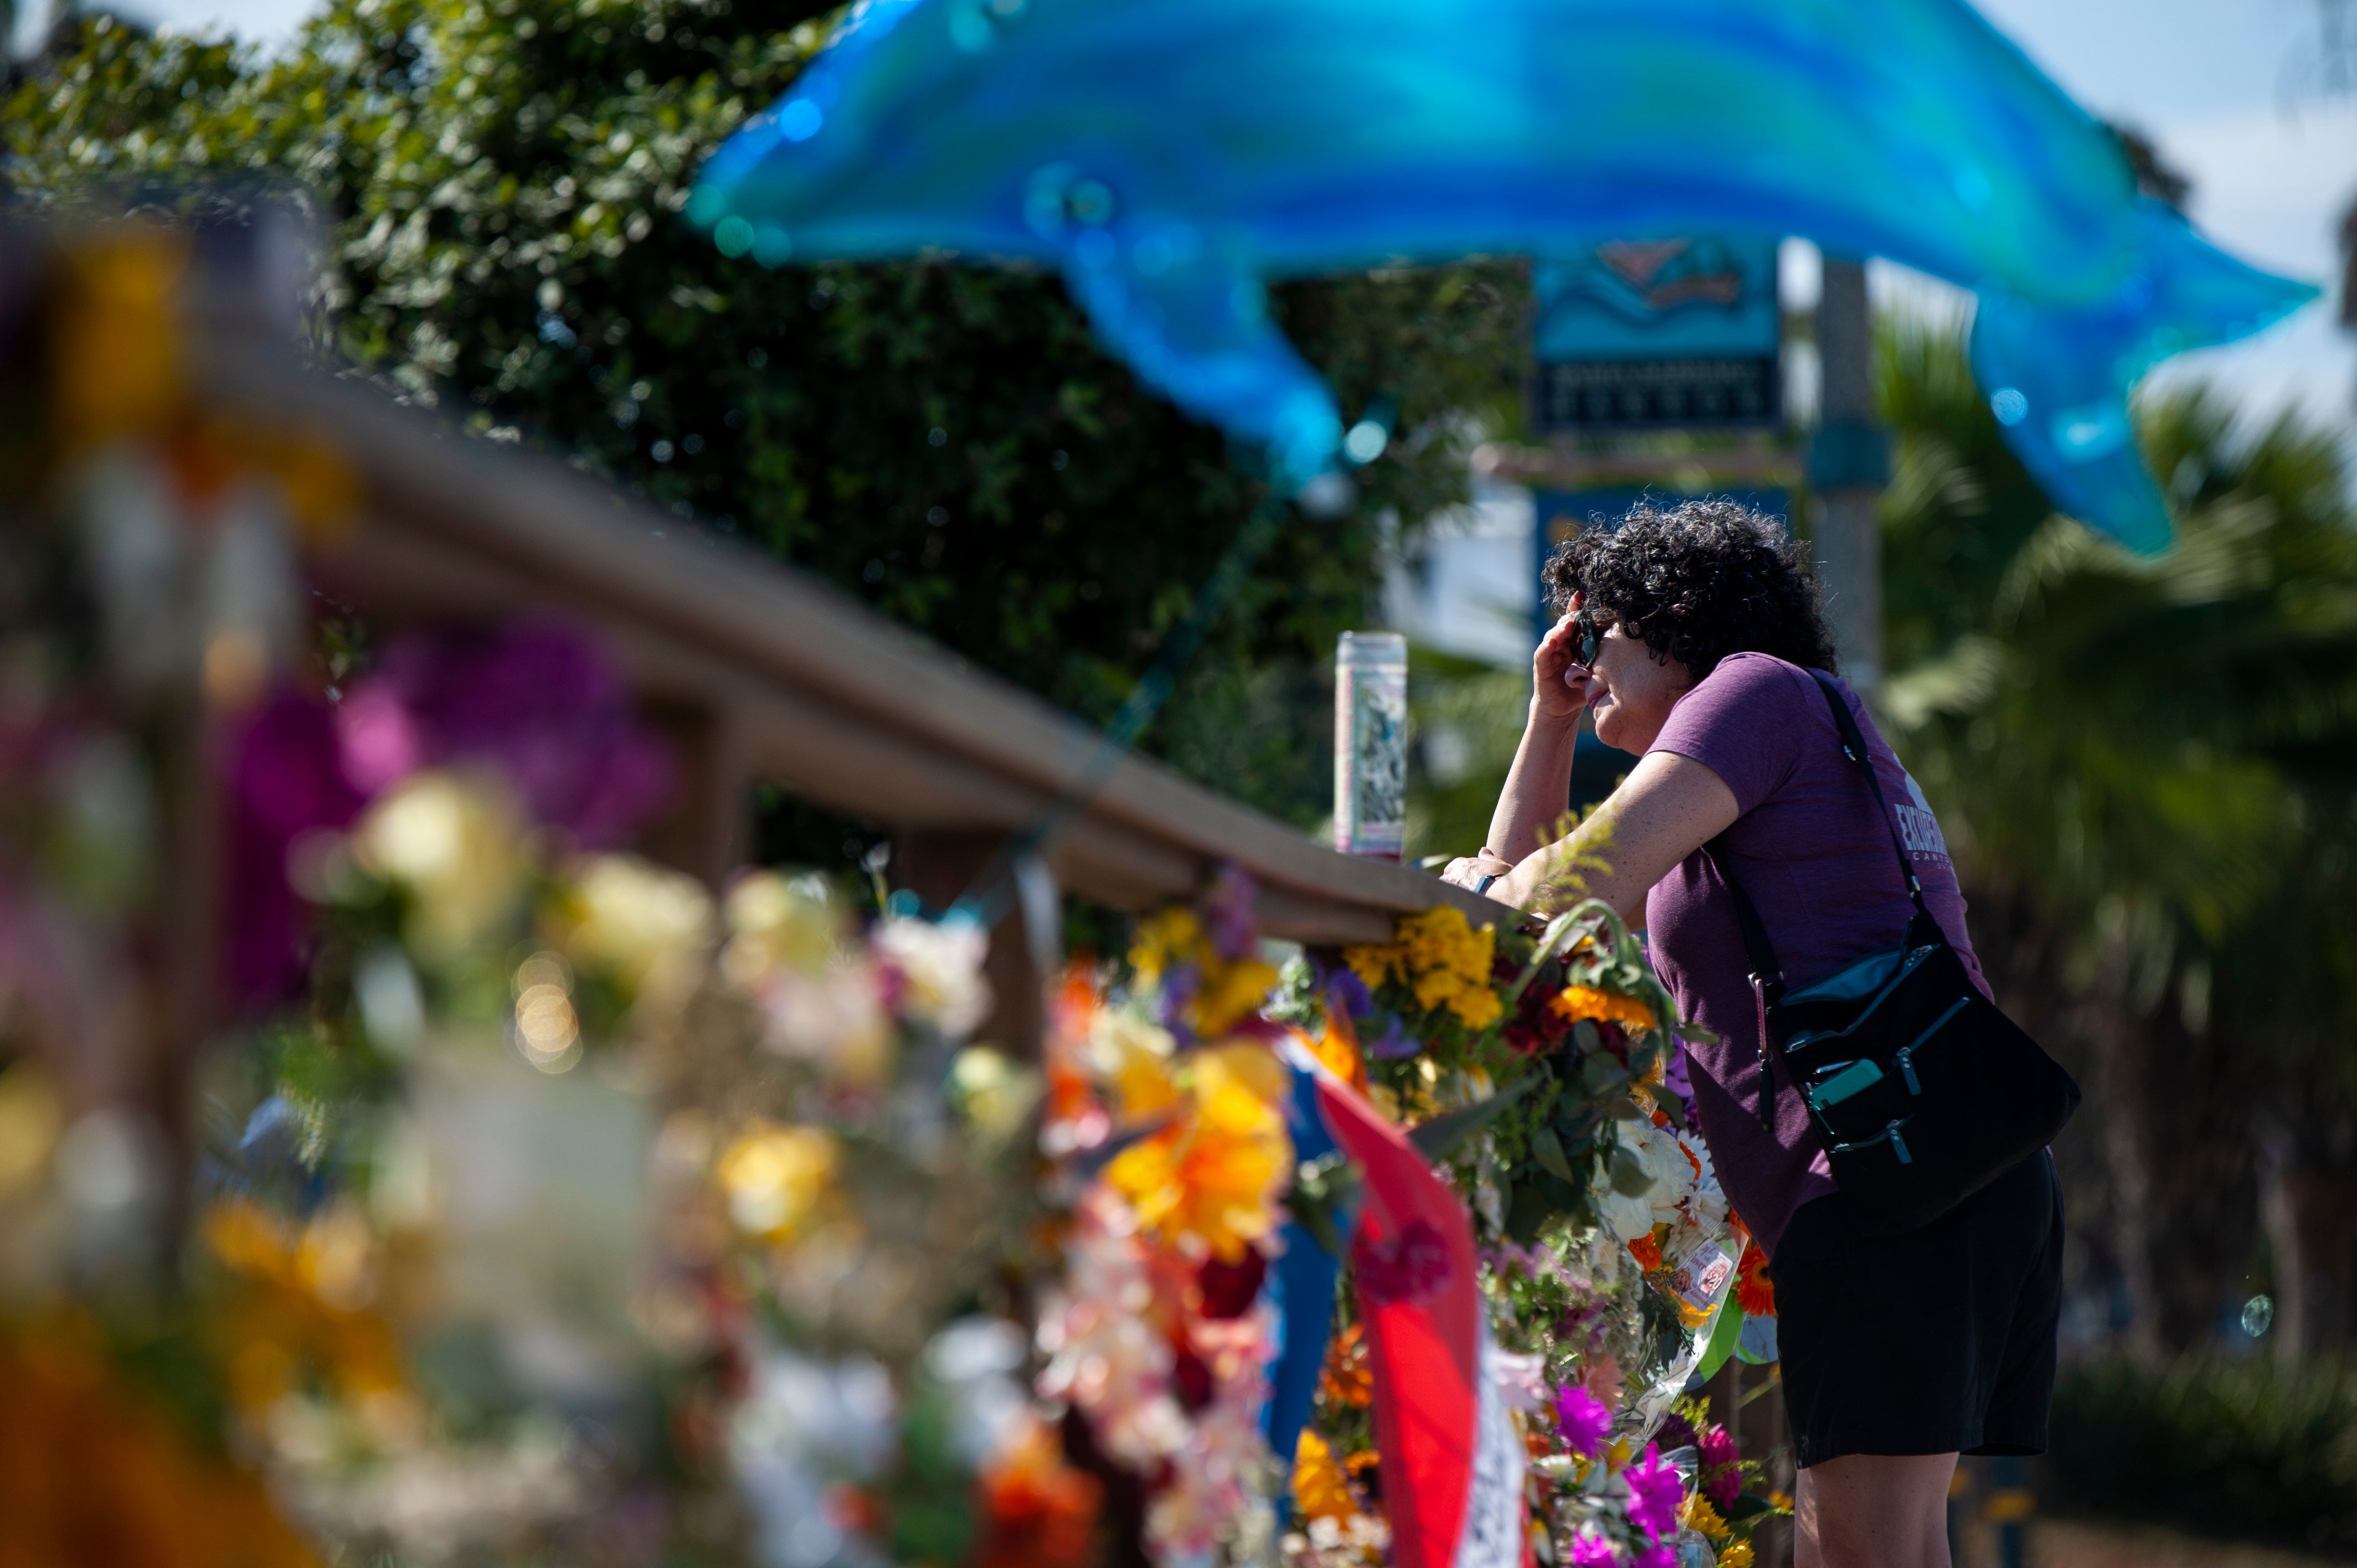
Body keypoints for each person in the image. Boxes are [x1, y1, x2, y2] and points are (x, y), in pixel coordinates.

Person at [1441, 498, 2060, 1568]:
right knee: (1887, 1549)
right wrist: (1550, 719)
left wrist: (1481, 884)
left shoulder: (1753, 692)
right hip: (1941, 1171)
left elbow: (1544, 899)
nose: (1585, 661)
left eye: (1599, 633)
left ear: (1671, 621)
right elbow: (1537, 912)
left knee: (1866, 1556)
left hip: (1883, 1188)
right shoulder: (1780, 740)